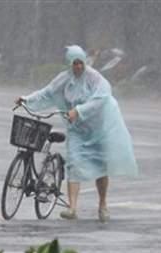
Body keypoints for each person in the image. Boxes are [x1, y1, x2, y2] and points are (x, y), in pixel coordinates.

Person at [15, 45, 138, 222]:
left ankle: (103, 205)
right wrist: (26, 99)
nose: (78, 67)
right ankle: (72, 208)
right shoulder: (64, 79)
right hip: (77, 130)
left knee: (100, 167)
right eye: (74, 63)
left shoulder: (95, 78)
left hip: (98, 129)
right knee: (73, 163)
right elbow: (47, 92)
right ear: (69, 64)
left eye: (80, 63)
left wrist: (79, 111)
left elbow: (101, 98)